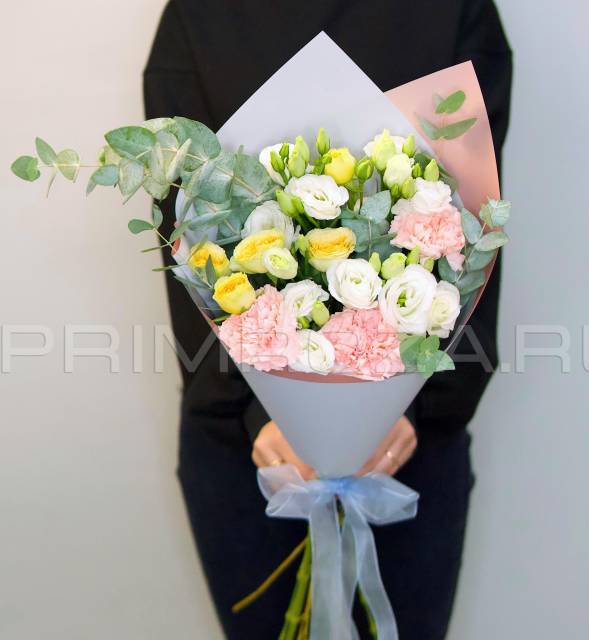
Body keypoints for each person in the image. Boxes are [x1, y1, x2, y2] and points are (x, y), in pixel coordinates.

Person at [144, 1, 511, 637]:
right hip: (245, 441)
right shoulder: (199, 14)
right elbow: (181, 229)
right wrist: (262, 414)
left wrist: (412, 407)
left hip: (409, 439)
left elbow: (478, 218)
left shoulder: (454, 7)